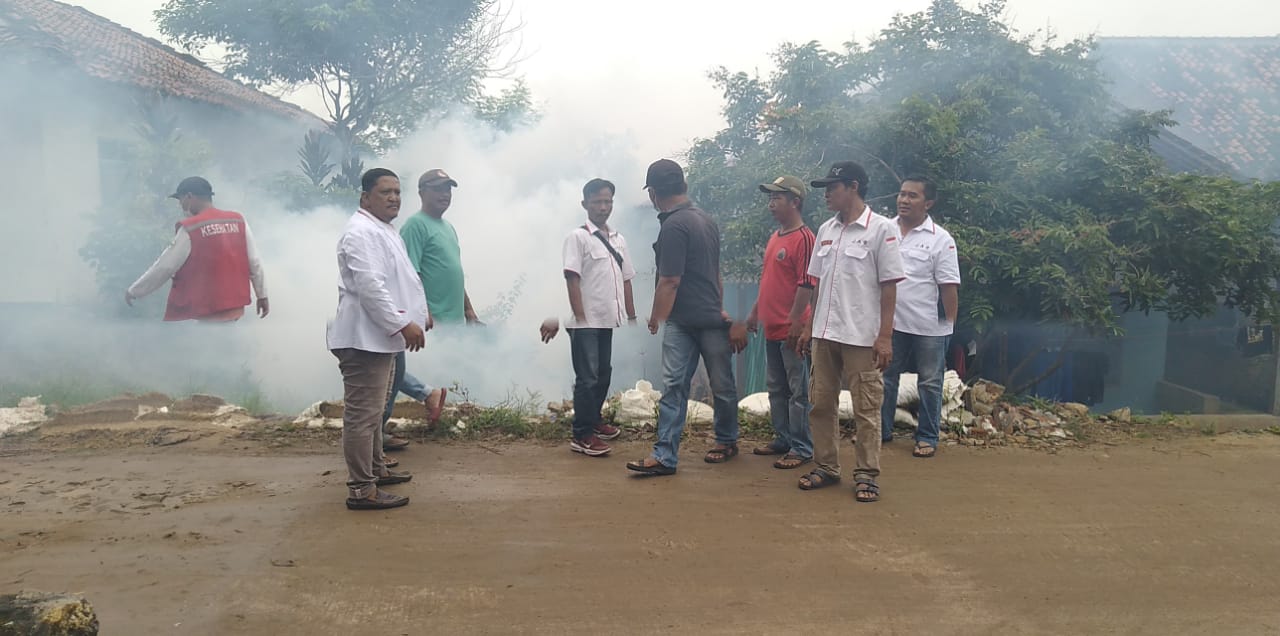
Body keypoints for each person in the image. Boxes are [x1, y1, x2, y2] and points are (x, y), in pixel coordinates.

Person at [788, 161, 904, 503]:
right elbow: (817, 284)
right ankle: (826, 466)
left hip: (862, 338)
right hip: (825, 335)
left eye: (832, 187)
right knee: (821, 404)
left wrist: (885, 336)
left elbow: (889, 288)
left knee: (866, 408)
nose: (826, 194)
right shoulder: (826, 229)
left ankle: (867, 473)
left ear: (852, 187)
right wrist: (809, 327)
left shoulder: (881, 230)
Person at [626, 159, 747, 476]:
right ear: (684, 186)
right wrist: (718, 306)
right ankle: (726, 441)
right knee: (722, 384)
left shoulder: (674, 226)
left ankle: (666, 455)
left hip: (683, 320)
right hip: (709, 317)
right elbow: (715, 275)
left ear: (653, 193)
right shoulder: (705, 220)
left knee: (674, 387)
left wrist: (656, 317)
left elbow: (670, 280)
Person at [327, 168, 429, 511]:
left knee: (373, 414)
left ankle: (376, 470)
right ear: (365, 197)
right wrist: (402, 323)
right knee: (363, 414)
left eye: (397, 192)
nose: (394, 198)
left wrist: (419, 313)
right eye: (385, 192)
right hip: (363, 338)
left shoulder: (383, 230)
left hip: (378, 337)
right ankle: (361, 488)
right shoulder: (360, 232)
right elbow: (371, 288)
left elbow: (404, 279)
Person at [556, 178, 637, 457]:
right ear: (585, 204)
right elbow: (572, 279)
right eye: (597, 202)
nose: (603, 207)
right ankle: (582, 435)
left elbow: (627, 280)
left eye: (608, 202)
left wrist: (632, 315)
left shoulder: (618, 239)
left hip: (607, 318)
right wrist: (580, 317)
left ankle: (594, 422)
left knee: (603, 374)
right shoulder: (577, 237)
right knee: (587, 378)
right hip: (586, 321)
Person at [881, 175, 960, 458]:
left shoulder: (941, 239)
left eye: (912, 196)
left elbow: (949, 288)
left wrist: (947, 327)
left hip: (929, 326)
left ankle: (927, 436)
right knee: (886, 377)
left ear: (928, 203)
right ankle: (881, 430)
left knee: (930, 382)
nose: (904, 200)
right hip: (890, 325)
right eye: (901, 194)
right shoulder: (884, 229)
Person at [125, 176, 268, 321]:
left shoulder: (191, 227)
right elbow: (254, 261)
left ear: (189, 196)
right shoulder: (237, 220)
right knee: (228, 341)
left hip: (208, 310)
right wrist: (262, 295)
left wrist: (135, 291)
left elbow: (165, 267)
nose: (180, 204)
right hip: (235, 308)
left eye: (180, 199)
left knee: (208, 343)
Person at [745, 175, 816, 470]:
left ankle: (802, 447)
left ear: (795, 202)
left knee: (798, 391)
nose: (771, 204)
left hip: (792, 330)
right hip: (771, 328)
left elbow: (806, 284)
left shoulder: (804, 239)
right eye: (769, 199)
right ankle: (783, 438)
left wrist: (797, 325)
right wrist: (754, 312)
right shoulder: (776, 237)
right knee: (776, 387)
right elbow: (768, 282)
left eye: (777, 198)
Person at [399, 168, 481, 324]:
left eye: (448, 189)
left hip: (455, 324)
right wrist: (423, 312)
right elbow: (410, 276)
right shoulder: (415, 225)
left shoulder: (448, 227)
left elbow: (453, 273)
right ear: (422, 193)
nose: (445, 194)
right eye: (437, 189)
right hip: (433, 324)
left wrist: (468, 310)